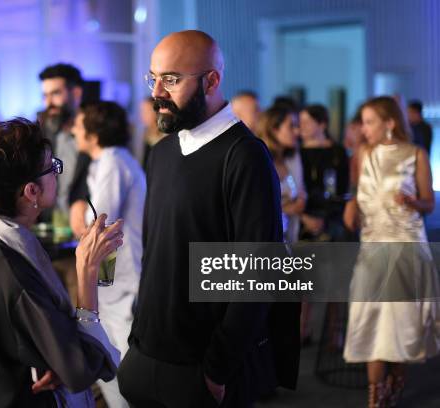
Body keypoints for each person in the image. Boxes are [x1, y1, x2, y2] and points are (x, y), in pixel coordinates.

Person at [117, 30, 300, 408]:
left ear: (212, 81)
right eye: (153, 78)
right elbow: (159, 252)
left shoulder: (245, 156)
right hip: (147, 353)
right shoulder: (163, 152)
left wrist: (218, 369)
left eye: (171, 79)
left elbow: (258, 273)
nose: (157, 93)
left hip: (201, 368)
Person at [0, 117, 122, 407]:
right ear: (31, 191)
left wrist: (49, 357)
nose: (56, 174)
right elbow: (79, 370)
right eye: (53, 168)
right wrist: (87, 272)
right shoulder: (14, 272)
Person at [343, 96, 440, 407]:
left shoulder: (415, 155)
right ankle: (375, 397)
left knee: (400, 322)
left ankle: (393, 388)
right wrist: (350, 207)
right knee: (370, 316)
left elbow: (429, 202)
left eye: (370, 121)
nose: (364, 128)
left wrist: (411, 202)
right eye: (363, 121)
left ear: (390, 123)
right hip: (372, 247)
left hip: (407, 244)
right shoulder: (362, 153)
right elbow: (356, 193)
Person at [71, 101, 146, 407]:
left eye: (79, 124)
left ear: (94, 133)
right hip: (117, 278)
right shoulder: (110, 160)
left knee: (120, 367)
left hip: (122, 279)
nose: (74, 129)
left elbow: (96, 226)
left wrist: (77, 211)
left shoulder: (113, 162)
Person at [38, 63, 91, 224]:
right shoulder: (41, 135)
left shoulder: (95, 135)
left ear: (76, 94)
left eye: (55, 93)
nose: (49, 103)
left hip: (86, 229)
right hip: (48, 230)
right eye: (45, 96)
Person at [298, 104, 349, 242]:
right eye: (300, 122)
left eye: (307, 122)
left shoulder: (337, 151)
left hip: (332, 214)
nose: (301, 126)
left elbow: (343, 186)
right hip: (303, 214)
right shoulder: (296, 152)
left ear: (322, 124)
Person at [256, 105, 306, 244]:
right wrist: (286, 208)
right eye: (291, 126)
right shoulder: (258, 160)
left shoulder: (292, 158)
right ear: (274, 129)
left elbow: (301, 192)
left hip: (291, 238)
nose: (297, 131)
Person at [139, 97, 165, 169]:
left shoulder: (166, 138)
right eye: (142, 111)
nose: (142, 115)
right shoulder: (146, 134)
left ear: (157, 112)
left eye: (147, 111)